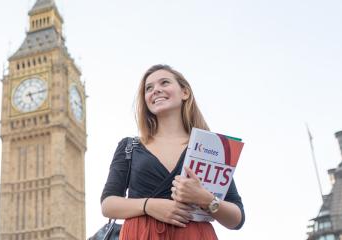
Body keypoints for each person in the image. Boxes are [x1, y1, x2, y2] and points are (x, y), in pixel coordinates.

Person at [100, 64, 245, 239]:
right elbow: (108, 205)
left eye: (164, 83)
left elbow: (237, 218)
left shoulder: (212, 147)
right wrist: (149, 205)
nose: (156, 90)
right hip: (142, 234)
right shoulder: (130, 146)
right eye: (149, 88)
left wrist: (206, 199)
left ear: (185, 92)